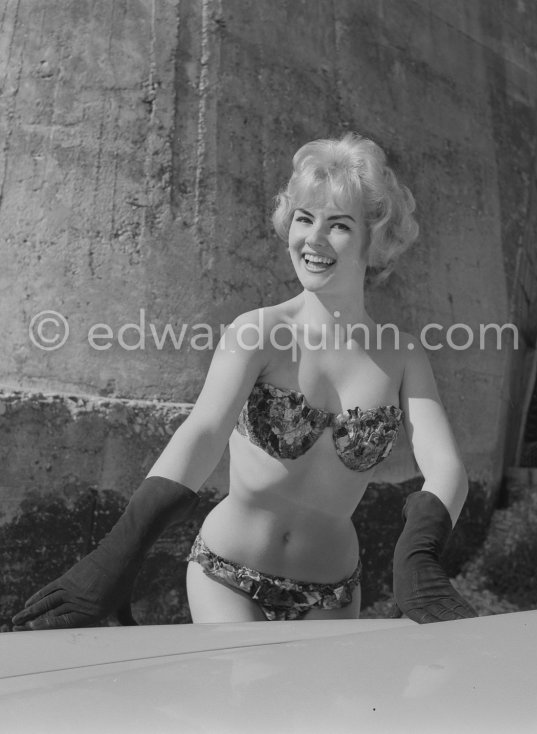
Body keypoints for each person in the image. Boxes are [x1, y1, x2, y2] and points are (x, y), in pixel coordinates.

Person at [12, 133, 476, 629]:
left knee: (322, 710)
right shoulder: (258, 331)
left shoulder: (403, 355)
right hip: (228, 575)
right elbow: (204, 431)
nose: (313, 240)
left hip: (336, 592)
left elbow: (446, 466)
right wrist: (118, 552)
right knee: (245, 700)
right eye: (304, 218)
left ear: (374, 238)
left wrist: (419, 553)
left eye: (338, 225)